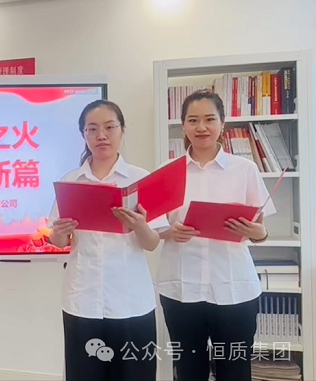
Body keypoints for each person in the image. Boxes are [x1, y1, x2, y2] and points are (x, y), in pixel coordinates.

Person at [156, 89, 274, 381]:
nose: (201, 127)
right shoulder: (166, 172)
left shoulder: (245, 170)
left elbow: (260, 230)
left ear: (223, 123)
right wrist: (170, 232)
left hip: (233, 286)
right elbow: (154, 229)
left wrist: (256, 232)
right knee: (188, 371)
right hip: (181, 286)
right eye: (193, 120)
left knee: (235, 369)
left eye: (210, 119)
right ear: (183, 126)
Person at [49, 99, 169, 381]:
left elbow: (152, 243)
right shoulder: (71, 181)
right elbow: (59, 240)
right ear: (84, 135)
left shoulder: (141, 179)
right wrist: (60, 233)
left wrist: (139, 226)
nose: (101, 135)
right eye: (92, 129)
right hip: (83, 300)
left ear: (122, 131)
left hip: (131, 300)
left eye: (109, 127)